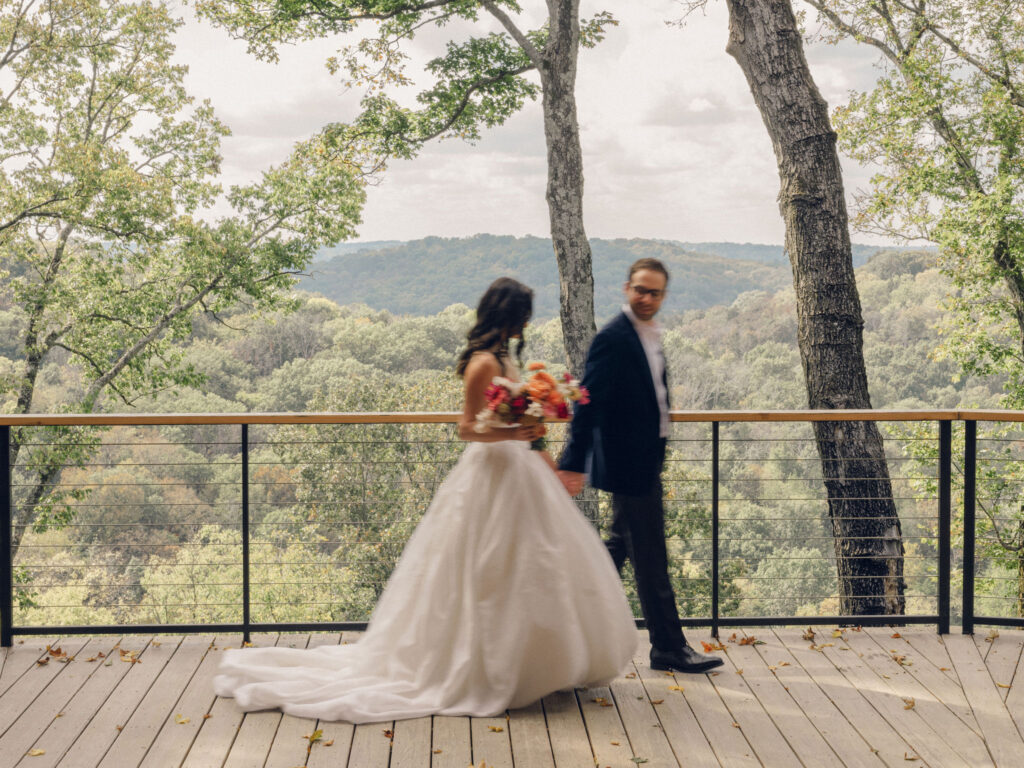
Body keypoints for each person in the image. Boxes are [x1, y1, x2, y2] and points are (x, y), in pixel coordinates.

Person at [213, 277, 637, 723]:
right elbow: (468, 428)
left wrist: (545, 458)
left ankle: (539, 662)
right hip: (491, 475)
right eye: (524, 315)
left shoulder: (507, 358)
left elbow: (523, 425)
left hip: (521, 472)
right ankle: (489, 667)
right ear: (508, 316)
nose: (527, 323)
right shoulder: (480, 365)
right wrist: (516, 430)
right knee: (488, 571)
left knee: (539, 563)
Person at [558, 258, 724, 674]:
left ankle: (565, 626)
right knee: (651, 560)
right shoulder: (613, 337)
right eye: (640, 290)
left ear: (663, 296)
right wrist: (573, 463)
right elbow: (587, 402)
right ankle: (667, 647)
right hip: (626, 465)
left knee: (615, 554)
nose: (646, 298)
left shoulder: (649, 335)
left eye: (654, 292)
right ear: (626, 288)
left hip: (644, 462)